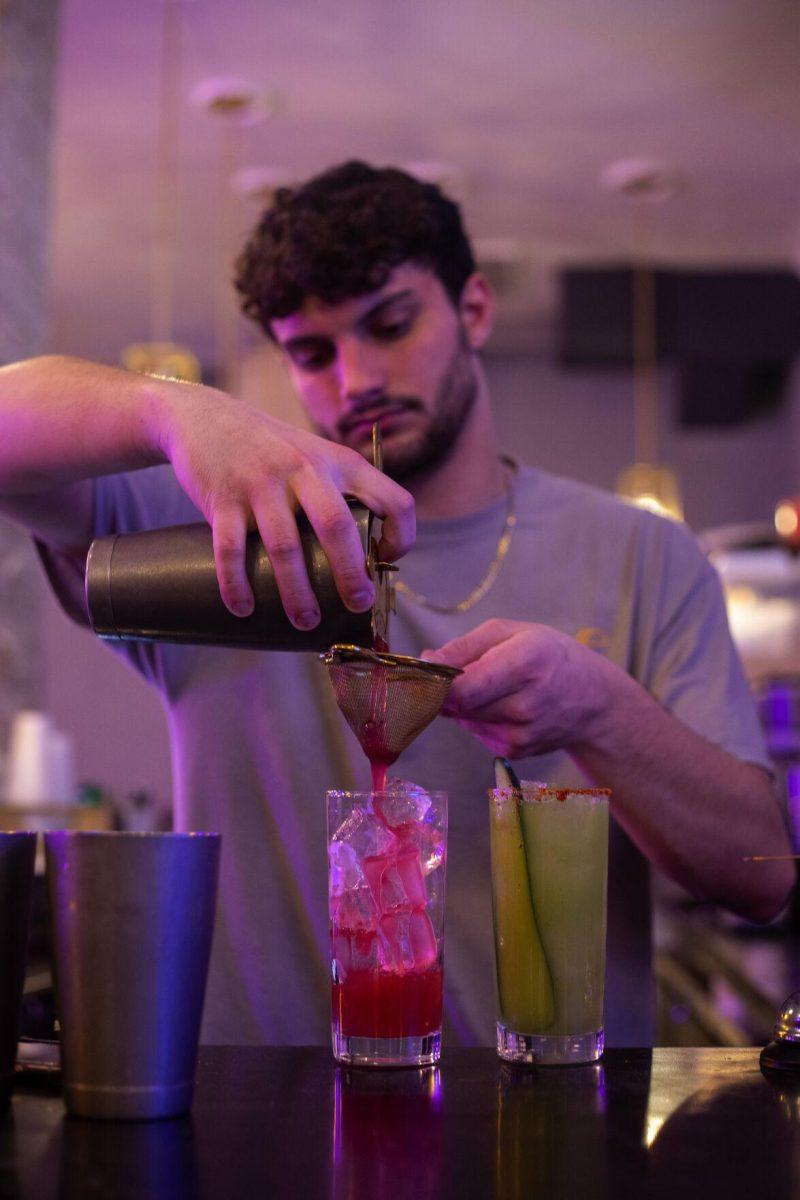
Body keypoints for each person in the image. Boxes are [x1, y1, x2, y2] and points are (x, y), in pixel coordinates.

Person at [0, 161, 792, 1047]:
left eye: (391, 323)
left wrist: (599, 710)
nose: (356, 377)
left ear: (476, 310)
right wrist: (168, 413)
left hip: (555, 1126)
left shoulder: (645, 555)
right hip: (253, 1127)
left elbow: (761, 877)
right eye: (312, 352)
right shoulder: (226, 530)